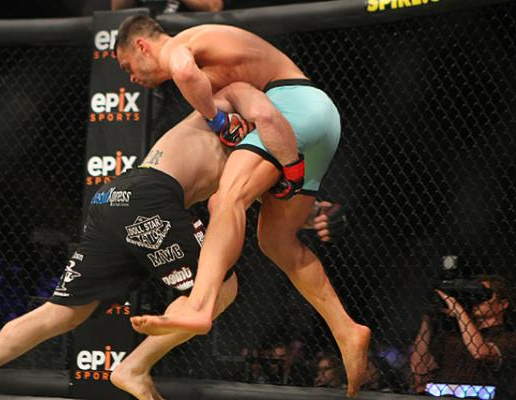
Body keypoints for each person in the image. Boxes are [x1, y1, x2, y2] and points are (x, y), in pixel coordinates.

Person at [0, 88, 339, 400]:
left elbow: (264, 204)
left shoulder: (259, 147)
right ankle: (134, 367)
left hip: (114, 198)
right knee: (222, 287)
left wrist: (312, 213)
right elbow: (240, 109)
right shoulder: (232, 100)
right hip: (152, 199)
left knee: (62, 312)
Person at [115, 15, 370, 397]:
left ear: (142, 46)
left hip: (290, 107)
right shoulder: (219, 67)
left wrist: (216, 119)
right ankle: (347, 330)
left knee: (226, 198)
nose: (132, 78)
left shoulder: (181, 46)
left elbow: (183, 70)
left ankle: (199, 305)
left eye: (127, 67)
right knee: (276, 240)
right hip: (320, 120)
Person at [410, 274, 516, 399]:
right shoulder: (452, 335)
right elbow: (419, 368)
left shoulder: (509, 338)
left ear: (503, 304)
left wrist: (459, 310)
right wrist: (428, 318)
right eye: (473, 295)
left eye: (484, 295)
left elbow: (480, 352)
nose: (477, 300)